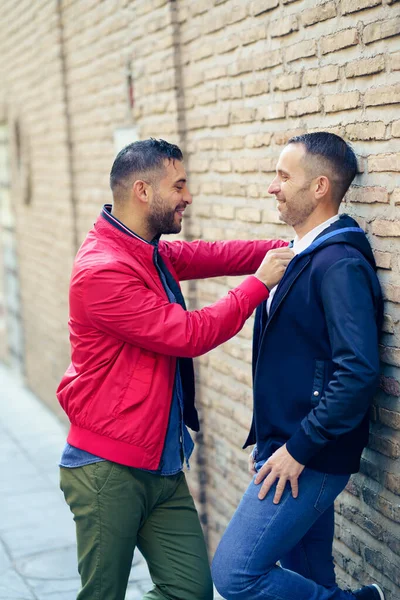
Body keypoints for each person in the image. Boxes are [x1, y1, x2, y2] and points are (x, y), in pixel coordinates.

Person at [57, 138, 293, 600]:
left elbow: (214, 255)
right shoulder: (103, 271)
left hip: (160, 463)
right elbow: (189, 334)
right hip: (108, 470)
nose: (188, 195)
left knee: (189, 592)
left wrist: (295, 245)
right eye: (179, 185)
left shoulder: (147, 252)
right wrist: (259, 284)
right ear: (143, 191)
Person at [212, 132, 385, 600]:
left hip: (310, 455)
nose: (274, 186)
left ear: (320, 187)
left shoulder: (339, 263)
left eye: (284, 176)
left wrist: (297, 448)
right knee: (310, 581)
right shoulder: (302, 255)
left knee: (234, 574)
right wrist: (272, 438)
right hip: (286, 446)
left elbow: (358, 371)